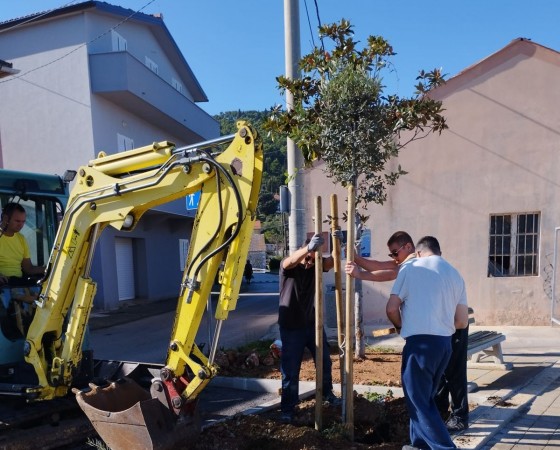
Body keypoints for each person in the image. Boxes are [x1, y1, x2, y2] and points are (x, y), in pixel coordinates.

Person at [387, 235, 469, 450]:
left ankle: (445, 447)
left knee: (417, 400)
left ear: (419, 252)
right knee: (424, 399)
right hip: (444, 345)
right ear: (438, 252)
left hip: (419, 346)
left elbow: (391, 308)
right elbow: (461, 321)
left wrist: (401, 327)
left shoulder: (411, 268)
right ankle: (419, 444)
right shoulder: (455, 274)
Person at [278, 232, 340, 423]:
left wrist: (338, 243)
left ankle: (327, 394)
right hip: (291, 326)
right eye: (311, 257)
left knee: (324, 362)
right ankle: (288, 408)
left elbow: (333, 263)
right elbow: (288, 262)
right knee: (291, 369)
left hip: (311, 323)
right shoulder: (291, 267)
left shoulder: (317, 265)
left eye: (317, 259)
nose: (312, 263)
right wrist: (308, 249)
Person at [0, 202, 45, 286]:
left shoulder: (21, 239)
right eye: (17, 221)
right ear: (5, 218)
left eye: (23, 221)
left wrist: (48, 269)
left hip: (17, 284)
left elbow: (28, 268)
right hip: (2, 286)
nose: (21, 225)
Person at [345, 230, 417, 282]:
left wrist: (360, 274)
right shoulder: (403, 262)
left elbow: (392, 274)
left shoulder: (414, 260)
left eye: (395, 253)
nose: (394, 257)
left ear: (408, 247)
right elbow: (379, 266)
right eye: (392, 255)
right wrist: (355, 257)